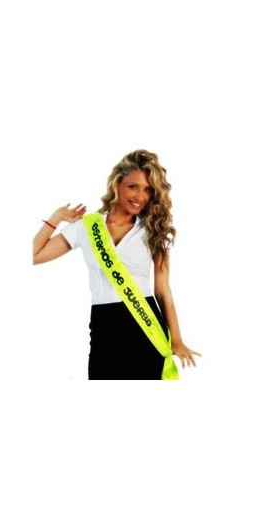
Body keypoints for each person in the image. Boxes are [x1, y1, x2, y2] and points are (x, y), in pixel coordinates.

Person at [32, 149, 201, 380]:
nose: (140, 196)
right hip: (105, 330)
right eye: (133, 186)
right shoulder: (86, 227)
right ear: (116, 184)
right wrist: (56, 218)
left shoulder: (153, 229)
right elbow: (34, 255)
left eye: (148, 189)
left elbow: (163, 289)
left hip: (147, 329)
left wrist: (178, 340)